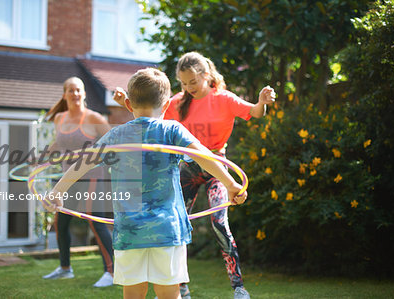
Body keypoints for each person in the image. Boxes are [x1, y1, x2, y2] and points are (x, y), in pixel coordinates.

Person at [44, 68, 248, 299]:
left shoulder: (116, 135)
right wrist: (230, 183)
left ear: (128, 104)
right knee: (168, 292)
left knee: (133, 293)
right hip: (167, 229)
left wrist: (58, 190)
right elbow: (205, 157)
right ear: (167, 105)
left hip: (130, 231)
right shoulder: (172, 130)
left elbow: (83, 163)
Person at [114, 52, 275, 299]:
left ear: (206, 76)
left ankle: (238, 287)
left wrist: (262, 101)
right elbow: (148, 116)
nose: (188, 88)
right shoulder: (178, 102)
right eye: (183, 83)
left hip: (215, 168)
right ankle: (180, 288)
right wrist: (128, 101)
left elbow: (254, 112)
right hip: (188, 169)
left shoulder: (224, 99)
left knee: (220, 223)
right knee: (174, 225)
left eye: (193, 82)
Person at [39, 77, 115, 288]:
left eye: (78, 90)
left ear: (84, 93)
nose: (75, 94)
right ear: (65, 94)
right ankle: (65, 269)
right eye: (71, 90)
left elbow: (113, 143)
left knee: (95, 221)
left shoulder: (95, 118)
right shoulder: (60, 118)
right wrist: (41, 158)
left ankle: (111, 272)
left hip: (92, 176)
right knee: (60, 223)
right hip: (67, 179)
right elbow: (59, 143)